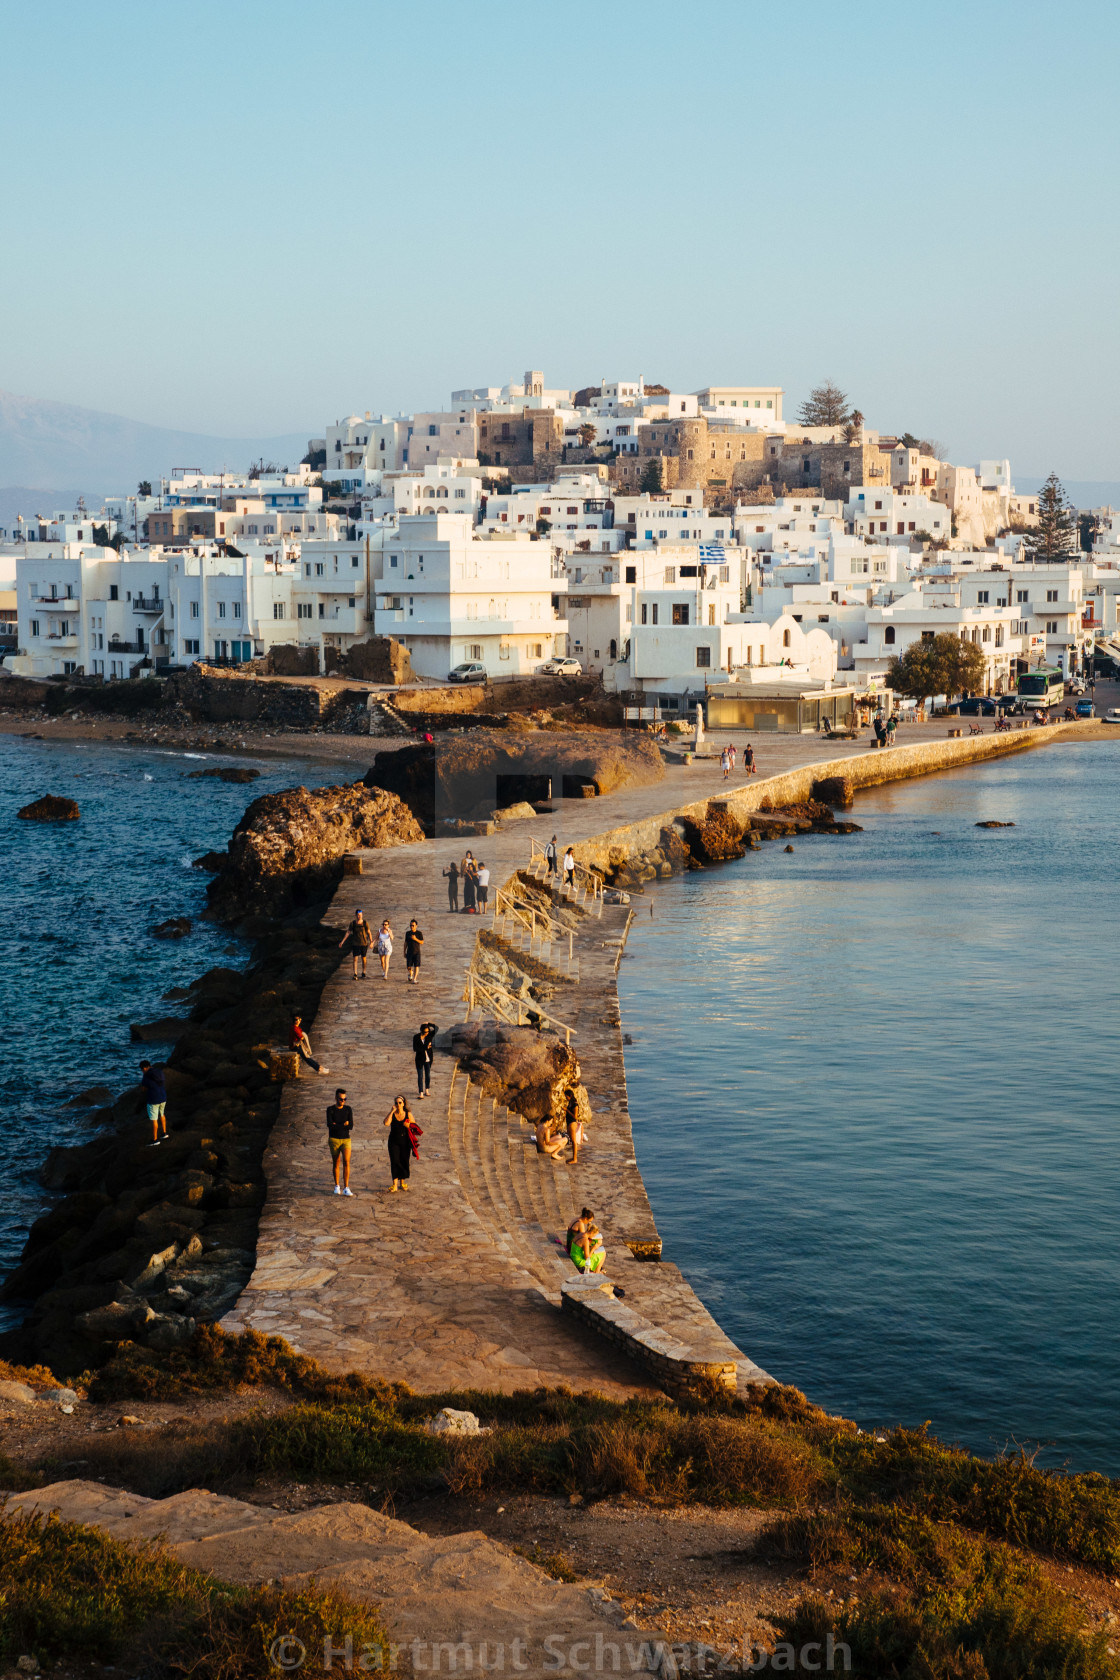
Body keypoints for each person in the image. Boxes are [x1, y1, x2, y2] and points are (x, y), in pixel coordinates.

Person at [384, 1094, 416, 1191]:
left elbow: (415, 1127)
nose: (398, 1104)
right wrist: (391, 1111)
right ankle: (394, 1184)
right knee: (394, 1161)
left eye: (400, 1103)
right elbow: (386, 1123)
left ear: (403, 1104)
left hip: (405, 1142)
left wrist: (408, 1126)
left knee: (404, 1160)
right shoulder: (393, 1114)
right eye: (396, 1103)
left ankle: (402, 1183)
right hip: (393, 1141)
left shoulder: (408, 1114)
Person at [327, 1088, 354, 1195]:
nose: (343, 1101)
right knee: (336, 1163)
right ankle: (337, 1185)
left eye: (344, 1099)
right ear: (336, 1098)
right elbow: (330, 1125)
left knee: (346, 1161)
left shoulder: (348, 1109)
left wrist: (336, 1125)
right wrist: (343, 1125)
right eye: (341, 1099)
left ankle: (346, 1187)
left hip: (346, 1139)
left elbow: (351, 1126)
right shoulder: (330, 1110)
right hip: (334, 1140)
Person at [566, 1208, 605, 1273]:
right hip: (578, 1261)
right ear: (592, 1233)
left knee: (598, 1251)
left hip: (574, 1255)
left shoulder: (581, 1234)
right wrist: (593, 1249)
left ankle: (597, 1270)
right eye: (594, 1235)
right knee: (603, 1254)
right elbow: (587, 1258)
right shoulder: (585, 1240)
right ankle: (597, 1271)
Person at [338, 908, 373, 979]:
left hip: (364, 943)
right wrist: (342, 941)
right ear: (355, 915)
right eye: (358, 915)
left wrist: (371, 942)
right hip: (355, 944)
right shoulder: (353, 923)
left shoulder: (365, 923)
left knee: (364, 959)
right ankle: (355, 973)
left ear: (362, 915)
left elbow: (369, 933)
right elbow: (348, 932)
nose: (359, 916)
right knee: (355, 959)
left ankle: (363, 972)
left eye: (360, 915)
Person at [140, 1059, 168, 1147]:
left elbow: (143, 1089)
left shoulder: (146, 1075)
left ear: (144, 1068)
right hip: (163, 1097)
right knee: (162, 1114)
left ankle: (155, 1140)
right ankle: (164, 1133)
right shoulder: (159, 1071)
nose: (142, 1071)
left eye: (142, 1069)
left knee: (154, 1120)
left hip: (153, 1100)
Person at [413, 1020, 437, 1099]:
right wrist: (425, 1048)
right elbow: (415, 1049)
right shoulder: (416, 1037)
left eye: (428, 1031)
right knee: (420, 1076)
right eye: (425, 1032)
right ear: (422, 1031)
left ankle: (427, 1089)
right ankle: (421, 1092)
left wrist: (428, 1023)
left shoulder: (429, 1036)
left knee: (428, 1075)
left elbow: (436, 1028)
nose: (427, 1033)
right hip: (419, 1059)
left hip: (428, 1059)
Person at [565, 1087, 584, 1165]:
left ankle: (575, 1159)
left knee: (574, 1141)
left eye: (566, 1096)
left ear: (570, 1096)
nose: (566, 1098)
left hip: (572, 1123)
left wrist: (567, 1110)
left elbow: (575, 1116)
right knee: (572, 1141)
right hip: (569, 1123)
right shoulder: (570, 1102)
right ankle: (573, 1157)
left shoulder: (575, 1104)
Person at [404, 918, 424, 985]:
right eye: (410, 925)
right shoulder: (407, 933)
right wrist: (404, 951)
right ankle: (411, 973)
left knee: (416, 966)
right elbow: (405, 943)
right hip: (409, 952)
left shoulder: (419, 933)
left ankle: (415, 979)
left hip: (417, 952)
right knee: (408, 966)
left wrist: (415, 939)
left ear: (416, 926)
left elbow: (422, 942)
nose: (411, 927)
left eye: (413, 925)